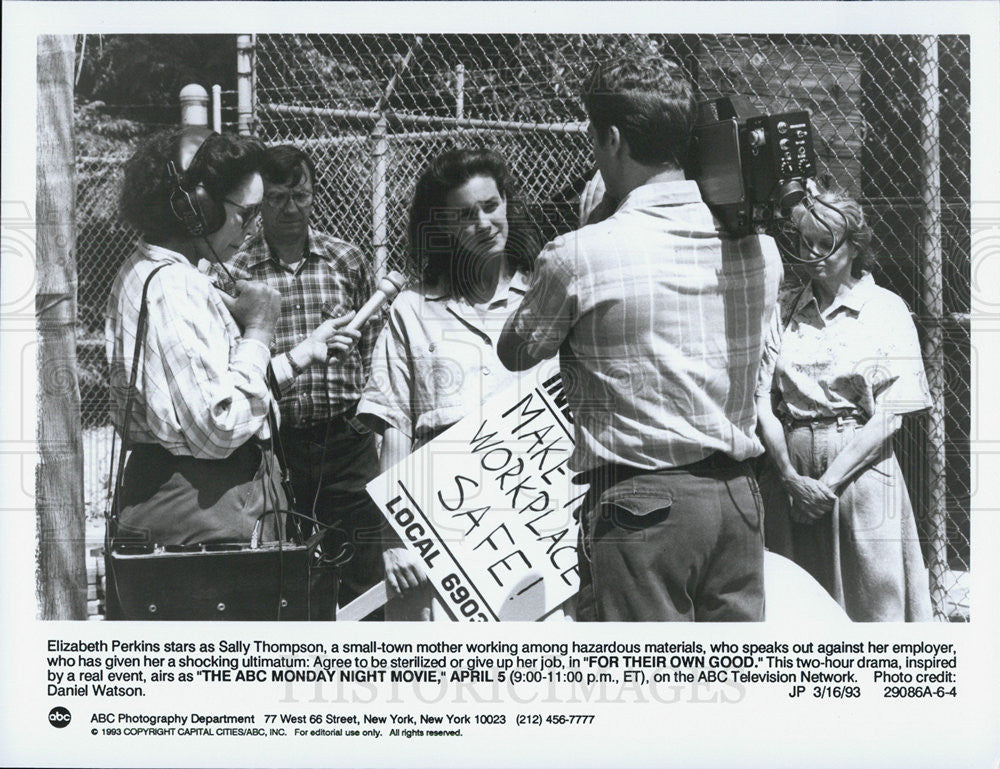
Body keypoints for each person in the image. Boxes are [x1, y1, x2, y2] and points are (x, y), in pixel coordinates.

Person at [497, 56, 783, 622]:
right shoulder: (761, 248)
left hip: (642, 509)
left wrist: (596, 219)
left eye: (594, 139)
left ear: (614, 139)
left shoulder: (582, 253)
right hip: (738, 500)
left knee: (638, 695)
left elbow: (516, 348)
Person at [106, 127, 358, 549]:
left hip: (194, 510)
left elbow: (207, 393)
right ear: (195, 210)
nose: (253, 226)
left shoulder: (151, 271)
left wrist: (297, 357)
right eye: (246, 212)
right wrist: (259, 330)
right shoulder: (173, 287)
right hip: (204, 517)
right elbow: (217, 427)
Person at [356, 147, 542, 620]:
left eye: (490, 206)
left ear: (508, 205)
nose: (482, 223)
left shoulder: (547, 297)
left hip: (532, 537)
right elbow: (394, 431)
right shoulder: (412, 311)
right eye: (464, 215)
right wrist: (394, 539)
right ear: (440, 226)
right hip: (440, 537)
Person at [755, 189, 933, 621]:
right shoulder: (783, 308)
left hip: (860, 473)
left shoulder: (885, 309)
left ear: (855, 245)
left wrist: (826, 486)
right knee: (797, 608)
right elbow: (762, 396)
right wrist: (791, 479)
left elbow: (890, 416)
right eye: (804, 242)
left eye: (826, 242)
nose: (813, 254)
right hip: (791, 474)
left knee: (872, 604)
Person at [226, 144, 385, 609]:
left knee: (365, 568)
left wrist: (373, 428)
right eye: (276, 198)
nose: (289, 208)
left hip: (348, 438)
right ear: (261, 202)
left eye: (300, 195)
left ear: (314, 195)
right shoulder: (238, 271)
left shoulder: (346, 260)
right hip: (279, 446)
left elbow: (376, 349)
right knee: (296, 574)